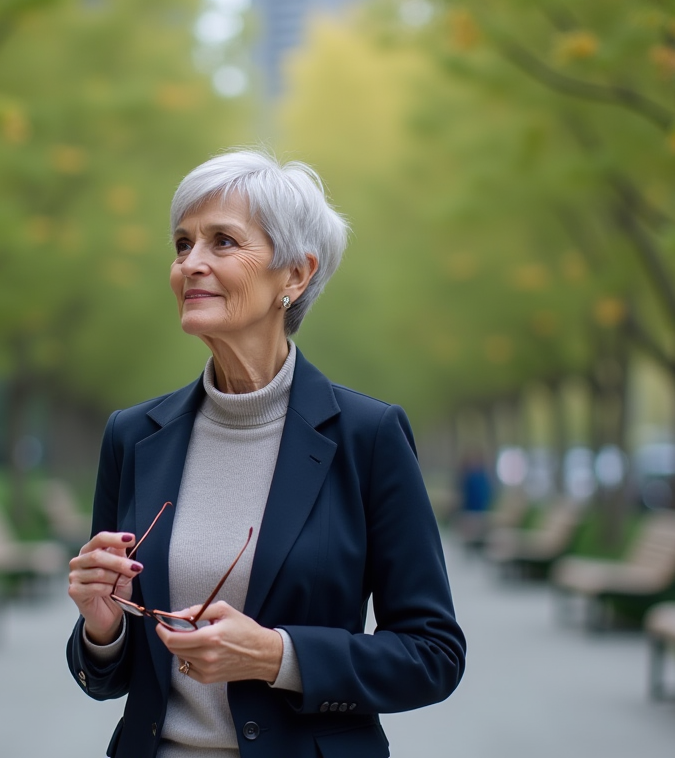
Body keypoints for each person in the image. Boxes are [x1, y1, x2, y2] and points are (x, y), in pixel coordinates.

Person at [66, 150, 465, 758]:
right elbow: (110, 678)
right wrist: (103, 625)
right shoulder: (132, 436)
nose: (189, 264)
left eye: (222, 242)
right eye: (181, 243)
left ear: (296, 275)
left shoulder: (369, 436)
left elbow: (433, 655)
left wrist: (280, 657)